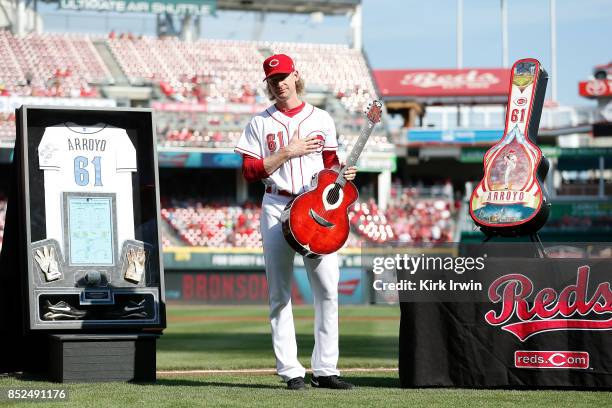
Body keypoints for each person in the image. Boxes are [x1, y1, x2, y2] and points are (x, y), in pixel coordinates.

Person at [234, 54, 357, 390]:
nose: (280, 83)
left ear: (296, 76)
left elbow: (331, 165)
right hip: (277, 204)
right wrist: (287, 153)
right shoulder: (260, 123)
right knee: (279, 293)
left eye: (285, 76)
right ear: (268, 84)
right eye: (274, 79)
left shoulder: (322, 118)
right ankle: (291, 370)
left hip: (316, 209)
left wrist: (343, 174)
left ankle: (326, 369)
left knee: (328, 290)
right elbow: (248, 172)